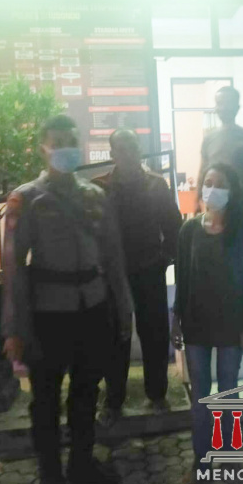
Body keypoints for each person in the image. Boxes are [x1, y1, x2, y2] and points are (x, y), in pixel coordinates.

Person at [1, 115, 134, 484]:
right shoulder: (25, 199)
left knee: (86, 392)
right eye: (57, 142)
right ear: (42, 148)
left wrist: (124, 307)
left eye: (70, 141)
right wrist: (13, 328)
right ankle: (50, 477)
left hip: (92, 308)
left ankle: (81, 463)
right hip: (48, 314)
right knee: (45, 400)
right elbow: (12, 268)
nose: (65, 149)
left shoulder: (95, 195)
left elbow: (114, 256)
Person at [171, 162, 243, 484]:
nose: (212, 189)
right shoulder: (189, 231)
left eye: (220, 183)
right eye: (208, 182)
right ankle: (201, 461)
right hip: (196, 325)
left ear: (232, 190)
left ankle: (230, 458)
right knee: (200, 395)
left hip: (231, 326)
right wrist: (176, 319)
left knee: (228, 391)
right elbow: (182, 278)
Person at [93, 129, 182, 426]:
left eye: (132, 147)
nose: (128, 153)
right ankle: (113, 400)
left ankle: (157, 395)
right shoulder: (100, 188)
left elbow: (173, 227)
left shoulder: (156, 185)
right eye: (121, 148)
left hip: (149, 271)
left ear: (139, 150)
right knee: (113, 338)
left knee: (154, 335)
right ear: (112, 154)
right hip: (112, 276)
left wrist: (165, 259)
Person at [198, 86, 243, 220]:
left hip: (242, 200)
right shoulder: (208, 139)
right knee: (215, 232)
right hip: (215, 199)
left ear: (237, 107)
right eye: (219, 103)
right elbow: (202, 170)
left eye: (228, 103)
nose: (223, 108)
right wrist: (197, 198)